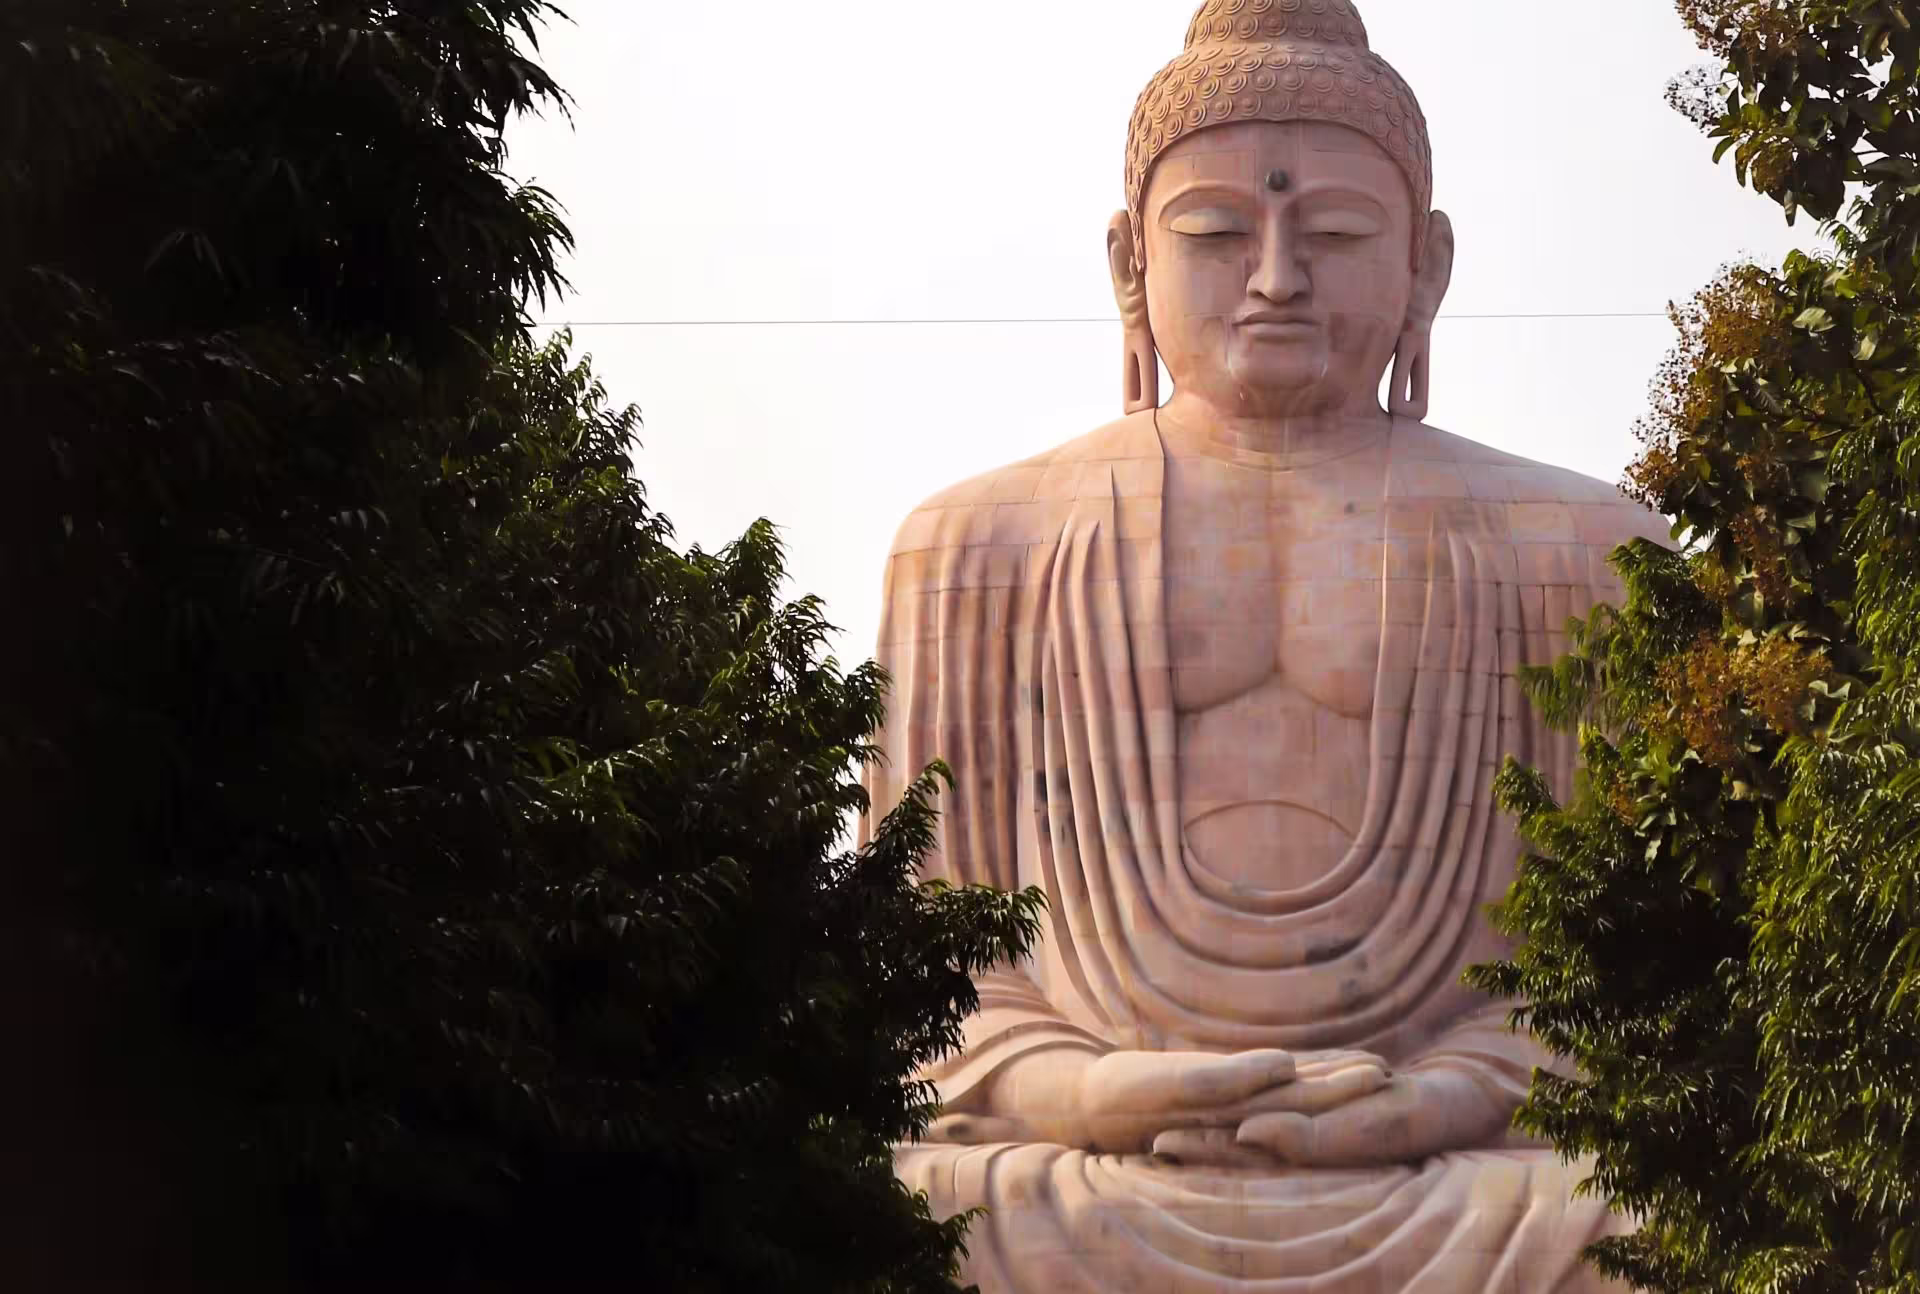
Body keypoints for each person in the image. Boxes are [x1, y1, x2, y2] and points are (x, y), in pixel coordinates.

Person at [864, 2, 1669, 1288]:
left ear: (1428, 265)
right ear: (1130, 262)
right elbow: (924, 977)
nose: (1279, 275)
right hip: (1088, 1175)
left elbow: (1633, 976)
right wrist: (1089, 1090)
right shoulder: (973, 548)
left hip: (1465, 1181)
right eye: (1217, 232)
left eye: (1339, 233)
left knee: (1648, 1220)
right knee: (889, 1206)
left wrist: (1448, 1095)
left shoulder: (1582, 551)